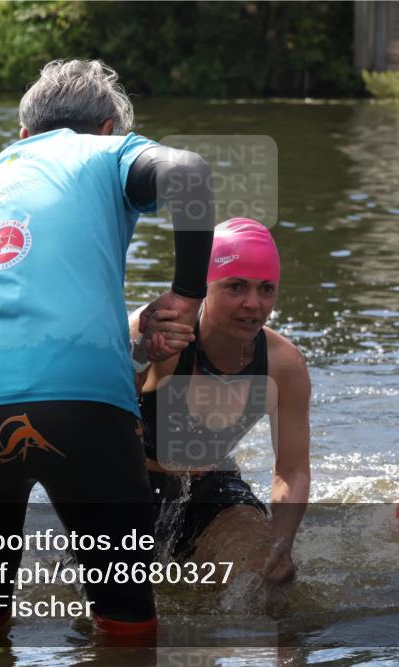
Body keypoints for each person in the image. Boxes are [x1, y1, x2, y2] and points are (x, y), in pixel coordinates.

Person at [0, 59, 215, 643]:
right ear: (110, 128)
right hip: (84, 407)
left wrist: (134, 344)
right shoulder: (105, 154)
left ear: (22, 136)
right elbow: (189, 174)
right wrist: (189, 295)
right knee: (125, 615)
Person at [129, 218, 311, 588]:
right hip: (129, 488)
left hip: (213, 491)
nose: (253, 303)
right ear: (204, 287)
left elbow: (291, 470)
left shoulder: (283, 365)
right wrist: (138, 359)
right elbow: (91, 415)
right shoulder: (152, 330)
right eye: (236, 287)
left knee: (267, 580)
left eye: (266, 289)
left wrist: (281, 543)